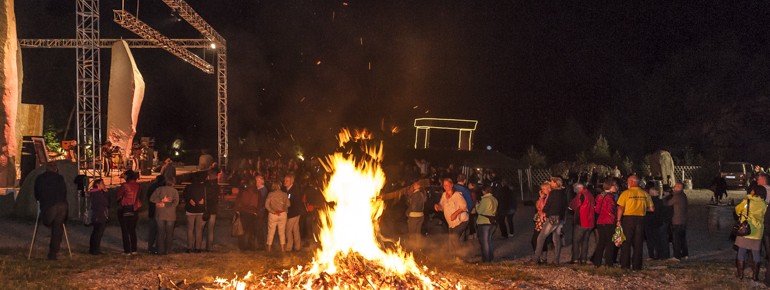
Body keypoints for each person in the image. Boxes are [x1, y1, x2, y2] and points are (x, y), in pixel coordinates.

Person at [616, 175, 654, 270]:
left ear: (632, 182)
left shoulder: (625, 193)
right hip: (640, 219)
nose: (627, 183)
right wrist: (642, 209)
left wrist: (618, 220)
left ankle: (625, 265)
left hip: (628, 219)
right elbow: (652, 209)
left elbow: (620, 207)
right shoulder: (645, 194)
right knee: (638, 243)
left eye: (628, 181)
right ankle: (637, 266)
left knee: (626, 242)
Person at [34, 162, 68, 260]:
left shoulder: (40, 178)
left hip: (48, 207)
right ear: (56, 169)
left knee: (50, 222)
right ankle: (53, 253)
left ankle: (53, 253)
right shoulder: (60, 178)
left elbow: (37, 194)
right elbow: (64, 192)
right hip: (61, 206)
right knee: (57, 228)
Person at [380, 179, 429, 247]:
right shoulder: (422, 193)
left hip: (414, 216)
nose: (414, 185)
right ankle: (418, 248)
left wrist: (408, 212)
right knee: (417, 234)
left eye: (416, 184)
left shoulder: (416, 194)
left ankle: (414, 249)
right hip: (420, 216)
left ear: (418, 186)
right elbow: (395, 194)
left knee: (412, 234)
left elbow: (413, 206)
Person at [735, 185, 767, 280]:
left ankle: (740, 275)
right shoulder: (764, 205)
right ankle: (755, 276)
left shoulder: (746, 202)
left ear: (754, 192)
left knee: (741, 253)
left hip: (744, 231)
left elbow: (737, 210)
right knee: (756, 254)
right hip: (757, 233)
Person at [533, 177, 568, 264]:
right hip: (559, 218)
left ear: (556, 183)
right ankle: (556, 260)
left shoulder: (554, 192)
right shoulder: (563, 192)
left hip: (552, 217)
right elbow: (564, 205)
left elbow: (548, 205)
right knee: (556, 239)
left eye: (552, 182)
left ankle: (535, 260)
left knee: (541, 238)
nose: (550, 183)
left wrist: (545, 211)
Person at [434, 178, 469, 252]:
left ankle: (460, 257)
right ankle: (455, 257)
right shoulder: (444, 195)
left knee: (454, 238)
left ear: (451, 185)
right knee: (452, 240)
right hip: (451, 223)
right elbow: (442, 207)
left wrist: (455, 214)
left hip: (462, 221)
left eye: (447, 185)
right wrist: (437, 206)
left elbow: (464, 206)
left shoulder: (457, 195)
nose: (445, 187)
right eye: (444, 185)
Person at [150, 177, 179, 255]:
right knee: (169, 233)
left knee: (160, 233)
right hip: (170, 215)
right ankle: (168, 250)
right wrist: (167, 204)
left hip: (160, 214)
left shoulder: (159, 189)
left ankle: (160, 250)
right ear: (173, 183)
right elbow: (176, 203)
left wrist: (161, 202)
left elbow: (152, 198)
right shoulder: (174, 191)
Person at [593, 179, 618, 267]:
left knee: (601, 242)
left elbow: (597, 210)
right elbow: (612, 210)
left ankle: (597, 262)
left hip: (600, 221)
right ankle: (609, 263)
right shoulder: (610, 197)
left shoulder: (600, 195)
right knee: (610, 243)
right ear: (610, 186)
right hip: (609, 221)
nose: (616, 187)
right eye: (614, 185)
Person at [116, 170, 142, 255]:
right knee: (132, 230)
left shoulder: (124, 186)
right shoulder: (138, 186)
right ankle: (134, 250)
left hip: (124, 209)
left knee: (125, 230)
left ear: (127, 176)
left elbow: (118, 197)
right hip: (134, 209)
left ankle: (127, 250)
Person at [570, 183, 595, 265]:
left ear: (579, 188)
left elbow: (573, 205)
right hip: (590, 222)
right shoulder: (590, 194)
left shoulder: (581, 195)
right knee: (585, 241)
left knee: (576, 241)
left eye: (575, 189)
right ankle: (583, 259)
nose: (575, 191)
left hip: (582, 221)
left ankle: (575, 259)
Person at [644, 184, 669, 260]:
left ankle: (652, 255)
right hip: (658, 222)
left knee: (650, 240)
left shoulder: (649, 200)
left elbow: (650, 210)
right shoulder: (660, 201)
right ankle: (659, 255)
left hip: (650, 222)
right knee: (658, 240)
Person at [235, 175, 260, 251]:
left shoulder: (245, 191)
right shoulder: (256, 192)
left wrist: (238, 209)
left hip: (244, 212)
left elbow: (241, 201)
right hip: (252, 213)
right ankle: (251, 246)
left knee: (242, 230)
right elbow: (257, 203)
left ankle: (242, 246)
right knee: (251, 230)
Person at [183, 175, 207, 253]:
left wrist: (190, 200)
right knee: (198, 230)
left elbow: (185, 196)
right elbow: (205, 197)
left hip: (190, 210)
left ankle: (189, 247)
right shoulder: (203, 187)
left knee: (190, 230)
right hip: (200, 210)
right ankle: (198, 248)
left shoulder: (188, 187)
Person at [665, 182, 688, 261]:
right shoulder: (683, 195)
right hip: (683, 220)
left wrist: (666, 196)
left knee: (676, 239)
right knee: (682, 239)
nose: (673, 188)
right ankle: (685, 254)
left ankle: (677, 256)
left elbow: (668, 203)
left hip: (677, 221)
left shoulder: (677, 196)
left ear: (678, 187)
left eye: (675, 187)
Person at [265, 181, 290, 252]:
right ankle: (282, 249)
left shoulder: (270, 194)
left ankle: (269, 249)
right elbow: (288, 204)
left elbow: (266, 205)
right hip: (282, 214)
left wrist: (273, 211)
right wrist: (283, 209)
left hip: (273, 214)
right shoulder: (285, 194)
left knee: (271, 231)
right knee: (282, 232)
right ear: (280, 186)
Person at [476, 185, 498, 262]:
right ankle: (490, 257)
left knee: (484, 242)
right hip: (492, 222)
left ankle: (486, 259)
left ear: (484, 191)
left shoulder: (485, 200)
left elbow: (479, 211)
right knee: (488, 241)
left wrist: (477, 205)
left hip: (484, 222)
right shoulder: (494, 199)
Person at [146, 175, 166, 254]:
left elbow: (148, 198)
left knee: (152, 231)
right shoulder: (163, 188)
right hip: (161, 212)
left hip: (152, 211)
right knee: (160, 231)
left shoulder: (151, 187)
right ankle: (159, 247)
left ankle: (150, 248)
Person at [285, 174, 305, 252]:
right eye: (285, 180)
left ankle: (289, 247)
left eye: (287, 180)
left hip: (293, 213)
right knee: (295, 229)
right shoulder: (290, 189)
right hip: (296, 213)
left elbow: (291, 203)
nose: (285, 182)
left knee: (288, 230)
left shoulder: (292, 191)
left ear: (291, 182)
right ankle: (297, 246)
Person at [88, 179, 109, 255]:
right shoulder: (97, 194)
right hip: (99, 215)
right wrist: (106, 193)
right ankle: (95, 250)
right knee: (98, 233)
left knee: (95, 232)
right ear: (98, 184)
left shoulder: (94, 193)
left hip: (96, 215)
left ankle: (93, 249)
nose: (104, 185)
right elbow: (106, 202)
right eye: (102, 183)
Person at [203, 170, 220, 252]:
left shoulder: (206, 185)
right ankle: (209, 247)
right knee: (211, 230)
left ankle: (198, 245)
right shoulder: (217, 186)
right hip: (213, 210)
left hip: (205, 209)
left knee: (200, 228)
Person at [532, 182, 550, 259]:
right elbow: (537, 207)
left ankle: (539, 257)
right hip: (540, 220)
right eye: (541, 188)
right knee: (539, 239)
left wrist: (541, 198)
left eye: (544, 189)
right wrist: (541, 198)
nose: (542, 190)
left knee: (536, 239)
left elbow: (542, 208)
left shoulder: (548, 198)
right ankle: (542, 257)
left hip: (543, 220)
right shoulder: (544, 197)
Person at [454, 174, 475, 240]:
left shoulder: (452, 188)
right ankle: (459, 248)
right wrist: (467, 211)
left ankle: (452, 247)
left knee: (452, 232)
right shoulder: (465, 190)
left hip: (451, 213)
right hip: (462, 213)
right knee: (461, 232)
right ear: (465, 180)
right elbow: (470, 203)